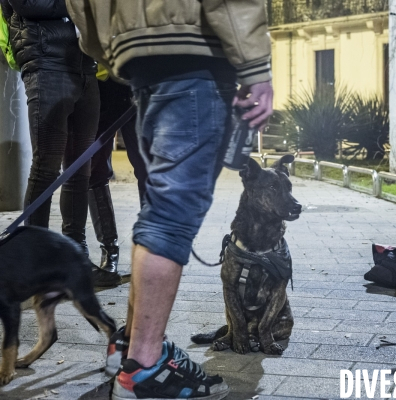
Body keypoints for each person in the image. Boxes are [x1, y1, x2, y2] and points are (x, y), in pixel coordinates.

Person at [66, 0, 273, 398]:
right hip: (194, 52)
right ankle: (144, 366)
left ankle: (134, 345)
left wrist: (109, 45)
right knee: (171, 214)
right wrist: (255, 66)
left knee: (159, 207)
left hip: (137, 60)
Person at [3, 0, 99, 254]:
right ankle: (36, 256)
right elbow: (29, 4)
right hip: (46, 60)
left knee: (80, 166)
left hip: (85, 63)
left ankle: (75, 251)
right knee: (47, 164)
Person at [89, 77, 148, 288]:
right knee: (95, 170)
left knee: (148, 169)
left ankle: (149, 253)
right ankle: (109, 253)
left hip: (138, 81)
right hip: (102, 87)